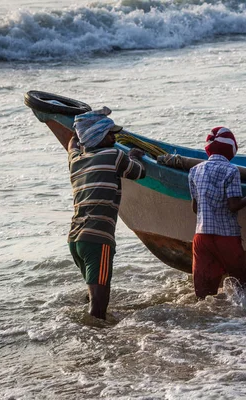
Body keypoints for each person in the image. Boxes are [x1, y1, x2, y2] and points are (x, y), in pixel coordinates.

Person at [67, 107, 146, 319]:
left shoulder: (76, 161)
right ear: (99, 137)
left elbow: (72, 145)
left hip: (76, 240)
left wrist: (77, 128)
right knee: (99, 307)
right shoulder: (114, 155)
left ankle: (86, 336)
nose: (114, 137)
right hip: (98, 240)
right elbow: (139, 172)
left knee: (92, 295)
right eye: (110, 134)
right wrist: (135, 155)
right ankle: (96, 345)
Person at [188, 127, 246, 299]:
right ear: (231, 149)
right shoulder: (231, 170)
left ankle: (210, 323)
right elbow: (233, 205)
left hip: (201, 237)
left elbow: (195, 208)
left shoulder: (194, 171)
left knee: (204, 295)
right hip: (226, 236)